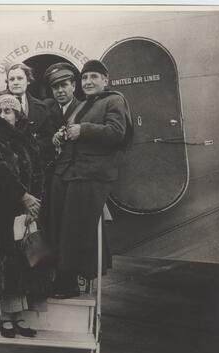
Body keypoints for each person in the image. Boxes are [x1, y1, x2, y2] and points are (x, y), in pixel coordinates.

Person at [45, 60, 133, 299]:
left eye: (94, 77)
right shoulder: (83, 105)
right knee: (59, 225)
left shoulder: (114, 100)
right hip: (69, 172)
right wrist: (61, 135)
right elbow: (74, 132)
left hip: (91, 173)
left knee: (75, 228)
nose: (88, 82)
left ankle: (69, 282)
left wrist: (82, 130)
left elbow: (117, 133)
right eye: (85, 78)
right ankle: (62, 276)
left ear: (106, 79)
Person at [0, 94, 52, 338]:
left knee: (25, 262)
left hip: (27, 210)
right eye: (0, 112)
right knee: (7, 261)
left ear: (18, 113)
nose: (3, 116)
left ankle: (19, 317)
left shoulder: (26, 137)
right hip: (3, 209)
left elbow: (38, 170)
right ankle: (5, 317)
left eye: (8, 111)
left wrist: (35, 204)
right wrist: (24, 196)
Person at [0, 63, 55, 168]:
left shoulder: (40, 107)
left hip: (33, 169)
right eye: (12, 79)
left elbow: (48, 139)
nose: (16, 82)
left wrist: (33, 148)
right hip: (5, 168)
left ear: (28, 80)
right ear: (7, 82)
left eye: (20, 78)